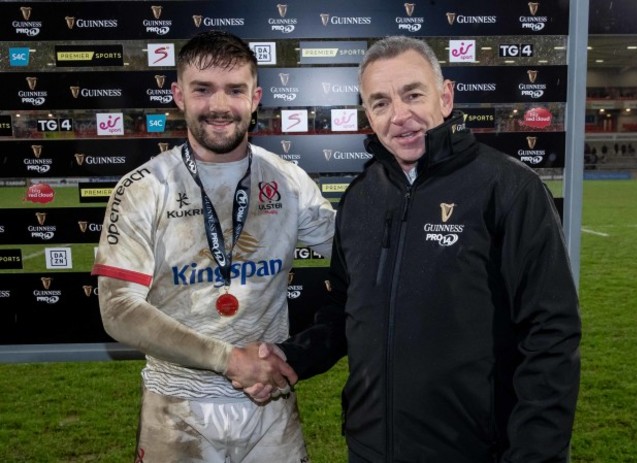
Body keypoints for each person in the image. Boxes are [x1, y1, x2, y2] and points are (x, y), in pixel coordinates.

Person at [273, 36, 582, 462]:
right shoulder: (361, 196)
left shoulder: (509, 188)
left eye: (413, 94)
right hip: (368, 449)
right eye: (380, 103)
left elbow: (551, 335)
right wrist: (291, 357)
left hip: (473, 452)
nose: (400, 116)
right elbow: (344, 311)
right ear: (368, 115)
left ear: (446, 96)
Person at [91, 30, 335, 463]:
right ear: (178, 96)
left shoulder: (287, 181)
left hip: (269, 401)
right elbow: (118, 310)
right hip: (178, 406)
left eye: (235, 90)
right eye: (203, 89)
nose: (219, 106)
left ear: (255, 97)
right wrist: (228, 360)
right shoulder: (142, 188)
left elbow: (359, 252)